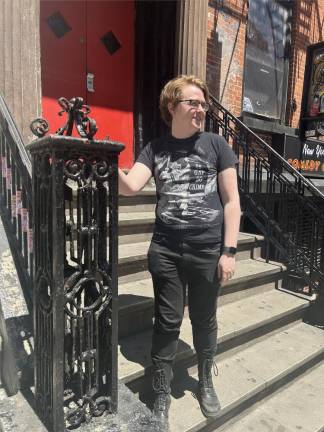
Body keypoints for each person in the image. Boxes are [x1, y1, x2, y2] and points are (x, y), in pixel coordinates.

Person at [118, 75, 241, 429]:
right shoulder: (155, 149)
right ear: (172, 107)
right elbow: (130, 187)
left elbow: (232, 202)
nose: (201, 109)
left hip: (207, 250)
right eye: (193, 102)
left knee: (204, 319)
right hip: (167, 250)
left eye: (203, 103)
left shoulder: (217, 145)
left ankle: (205, 380)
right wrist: (106, 158)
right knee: (168, 321)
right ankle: (160, 390)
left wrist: (229, 251)